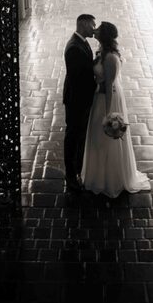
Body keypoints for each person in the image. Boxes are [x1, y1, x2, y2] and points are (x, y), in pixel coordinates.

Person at [82, 21, 151, 198]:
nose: (94, 30)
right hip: (100, 96)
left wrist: (109, 114)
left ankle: (111, 179)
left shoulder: (111, 58)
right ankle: (98, 176)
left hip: (107, 99)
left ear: (103, 35)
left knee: (105, 137)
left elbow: (110, 85)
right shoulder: (102, 52)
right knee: (97, 139)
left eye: (98, 29)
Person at [63, 13, 97, 191]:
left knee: (78, 135)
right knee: (73, 136)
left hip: (80, 99)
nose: (94, 28)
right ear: (83, 24)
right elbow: (79, 79)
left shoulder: (82, 42)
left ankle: (77, 169)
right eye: (92, 25)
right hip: (76, 100)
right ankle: (70, 174)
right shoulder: (74, 48)